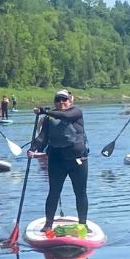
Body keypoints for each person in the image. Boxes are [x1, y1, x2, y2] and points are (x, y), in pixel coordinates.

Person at [28, 90, 89, 234]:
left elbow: (65, 116)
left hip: (77, 161)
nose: (61, 103)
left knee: (80, 193)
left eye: (64, 100)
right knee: (54, 192)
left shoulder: (76, 112)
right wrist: (34, 148)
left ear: (70, 101)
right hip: (57, 160)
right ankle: (48, 224)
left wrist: (44, 111)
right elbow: (43, 137)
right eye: (58, 100)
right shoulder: (49, 118)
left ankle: (83, 224)